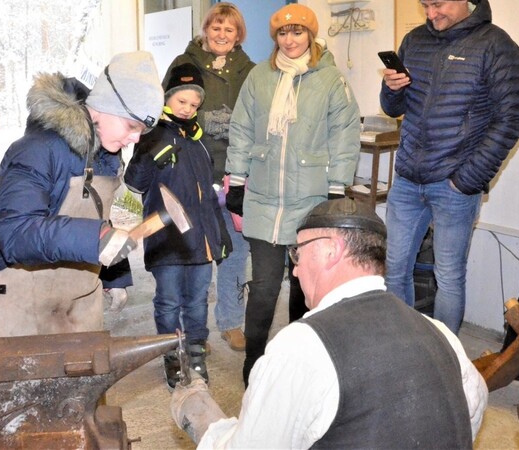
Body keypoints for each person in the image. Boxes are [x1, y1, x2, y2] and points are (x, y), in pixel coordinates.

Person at [169, 199, 488, 448]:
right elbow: (470, 415)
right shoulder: (442, 334)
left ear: (331, 251)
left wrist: (200, 415)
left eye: (297, 254)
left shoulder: (301, 348)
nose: (294, 270)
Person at [0, 52, 164, 338]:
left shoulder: (105, 154)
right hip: (16, 303)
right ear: (105, 106)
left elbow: (94, 213)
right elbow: (14, 231)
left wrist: (114, 274)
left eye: (143, 130)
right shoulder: (37, 150)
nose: (136, 139)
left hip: (75, 301)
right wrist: (95, 239)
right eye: (132, 126)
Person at [225, 3, 361, 384]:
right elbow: (241, 128)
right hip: (266, 197)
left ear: (311, 35)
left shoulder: (331, 79)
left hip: (311, 198)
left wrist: (337, 188)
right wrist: (236, 179)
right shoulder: (259, 76)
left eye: (298, 32)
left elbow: (345, 136)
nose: (290, 40)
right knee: (265, 287)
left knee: (306, 287)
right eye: (283, 34)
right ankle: (254, 362)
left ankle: (301, 361)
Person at [380, 0, 519, 334]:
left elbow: (510, 121)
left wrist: (466, 180)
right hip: (407, 179)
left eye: (438, 4)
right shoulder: (415, 40)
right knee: (394, 269)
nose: (431, 14)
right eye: (425, 5)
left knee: (447, 276)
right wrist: (391, 90)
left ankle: (447, 358)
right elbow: (394, 108)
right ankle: (404, 348)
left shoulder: (497, 45)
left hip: (454, 185)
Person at [125, 63, 231, 390]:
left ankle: (196, 349)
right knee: (168, 300)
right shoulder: (151, 134)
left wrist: (219, 235)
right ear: (167, 99)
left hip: (200, 241)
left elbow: (207, 197)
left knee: (198, 300)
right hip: (166, 237)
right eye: (181, 102)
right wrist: (151, 156)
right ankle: (172, 352)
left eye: (194, 105)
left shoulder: (198, 142)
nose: (187, 109)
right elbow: (133, 184)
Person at [162, 2, 256, 352]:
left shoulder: (250, 70)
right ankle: (191, 328)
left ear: (238, 34)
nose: (221, 34)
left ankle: (231, 322)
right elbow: (166, 111)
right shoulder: (184, 64)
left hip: (236, 173)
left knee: (236, 249)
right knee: (194, 251)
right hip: (193, 171)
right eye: (216, 28)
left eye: (229, 29)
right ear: (206, 30)